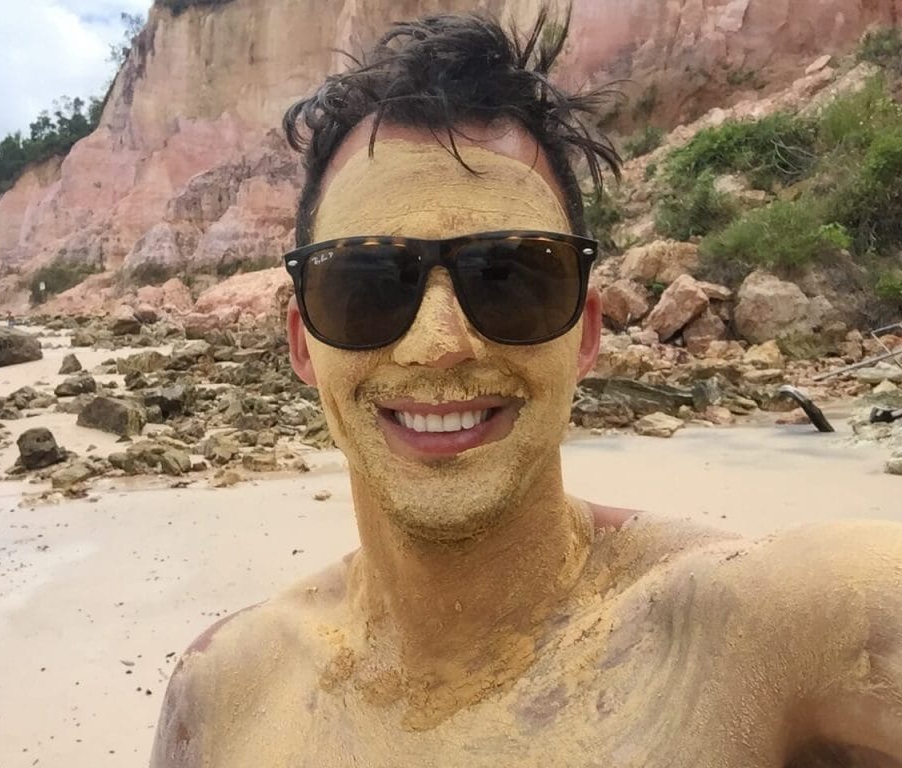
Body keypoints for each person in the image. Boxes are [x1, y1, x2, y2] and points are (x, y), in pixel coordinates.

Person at [151, 10, 902, 767]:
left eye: (511, 276)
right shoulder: (222, 697)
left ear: (584, 331)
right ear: (301, 342)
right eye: (366, 284)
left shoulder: (778, 632)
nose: (440, 346)